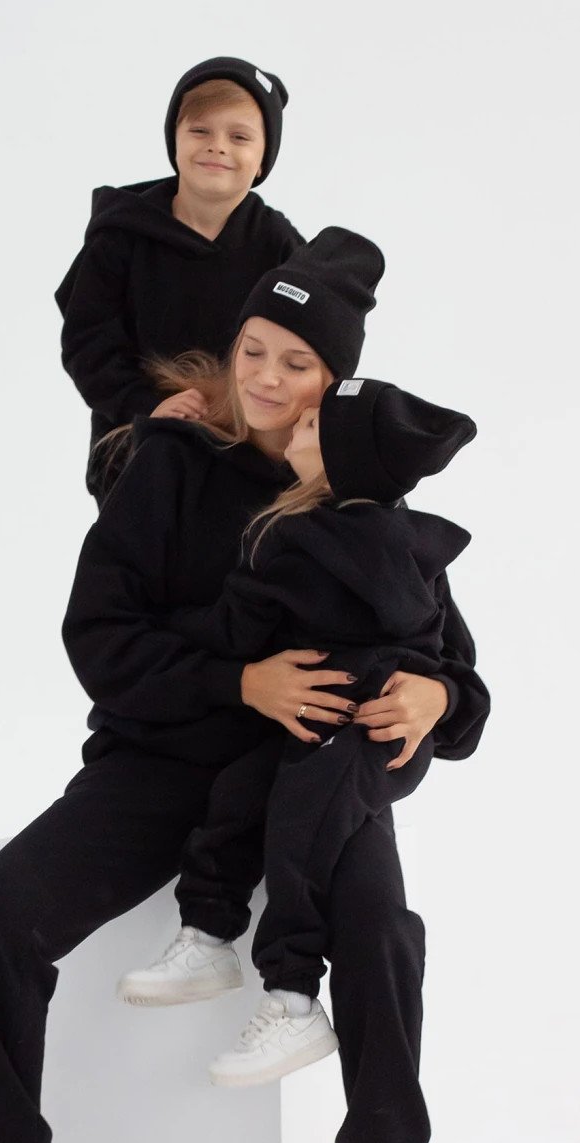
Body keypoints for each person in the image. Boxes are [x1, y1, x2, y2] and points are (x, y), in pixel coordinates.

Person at [0, 228, 489, 1143]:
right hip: (160, 761)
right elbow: (101, 639)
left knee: (381, 934)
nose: (267, 379)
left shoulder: (359, 486)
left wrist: (437, 699)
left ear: (334, 380)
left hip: (314, 776)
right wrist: (239, 680)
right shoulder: (169, 459)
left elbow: (455, 670)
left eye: (297, 362)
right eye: (253, 350)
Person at [117, 378, 479, 1101]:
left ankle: (291, 997)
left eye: (313, 426)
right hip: (323, 729)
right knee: (241, 791)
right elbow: (433, 648)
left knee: (301, 832)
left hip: (368, 737)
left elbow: (233, 629)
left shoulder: (313, 541)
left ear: (344, 460)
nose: (294, 428)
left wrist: (436, 694)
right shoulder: (380, 538)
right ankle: (209, 935)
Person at [54, 55, 304, 504]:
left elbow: (314, 345)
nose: (217, 146)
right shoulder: (120, 237)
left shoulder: (283, 249)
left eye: (239, 136)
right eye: (200, 131)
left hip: (246, 445)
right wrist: (146, 407)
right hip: (137, 440)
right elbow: (87, 343)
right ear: (175, 141)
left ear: (263, 160)